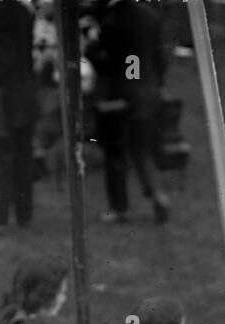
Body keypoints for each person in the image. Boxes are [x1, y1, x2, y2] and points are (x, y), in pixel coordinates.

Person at [86, 0, 172, 225]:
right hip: (147, 90)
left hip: (120, 93)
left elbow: (110, 62)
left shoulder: (112, 19)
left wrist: (91, 49)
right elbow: (160, 58)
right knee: (139, 148)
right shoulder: (149, 15)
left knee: (115, 152)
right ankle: (156, 193)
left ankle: (119, 207)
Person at [0, 0, 38, 230]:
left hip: (2, 96)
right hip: (24, 92)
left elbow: (1, 53)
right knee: (21, 158)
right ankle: (23, 216)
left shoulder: (2, 10)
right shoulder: (22, 9)